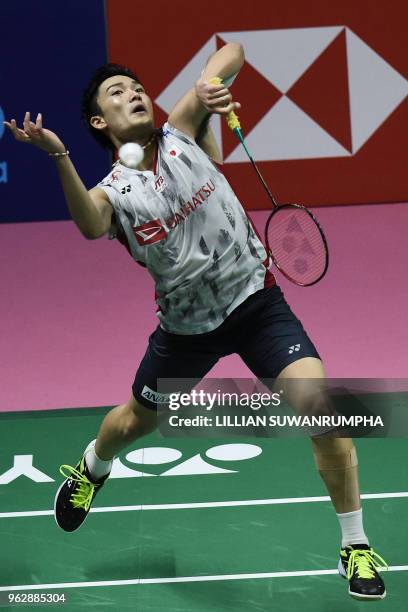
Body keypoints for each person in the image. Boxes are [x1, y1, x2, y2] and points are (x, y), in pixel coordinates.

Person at [4, 42, 387, 601]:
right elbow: (89, 225)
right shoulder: (115, 192)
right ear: (98, 121)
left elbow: (233, 51)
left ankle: (354, 544)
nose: (133, 94)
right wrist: (59, 155)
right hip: (187, 329)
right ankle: (92, 467)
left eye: (136, 87)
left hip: (257, 305)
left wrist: (210, 85)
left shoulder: (182, 130)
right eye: (117, 93)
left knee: (322, 410)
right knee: (132, 423)